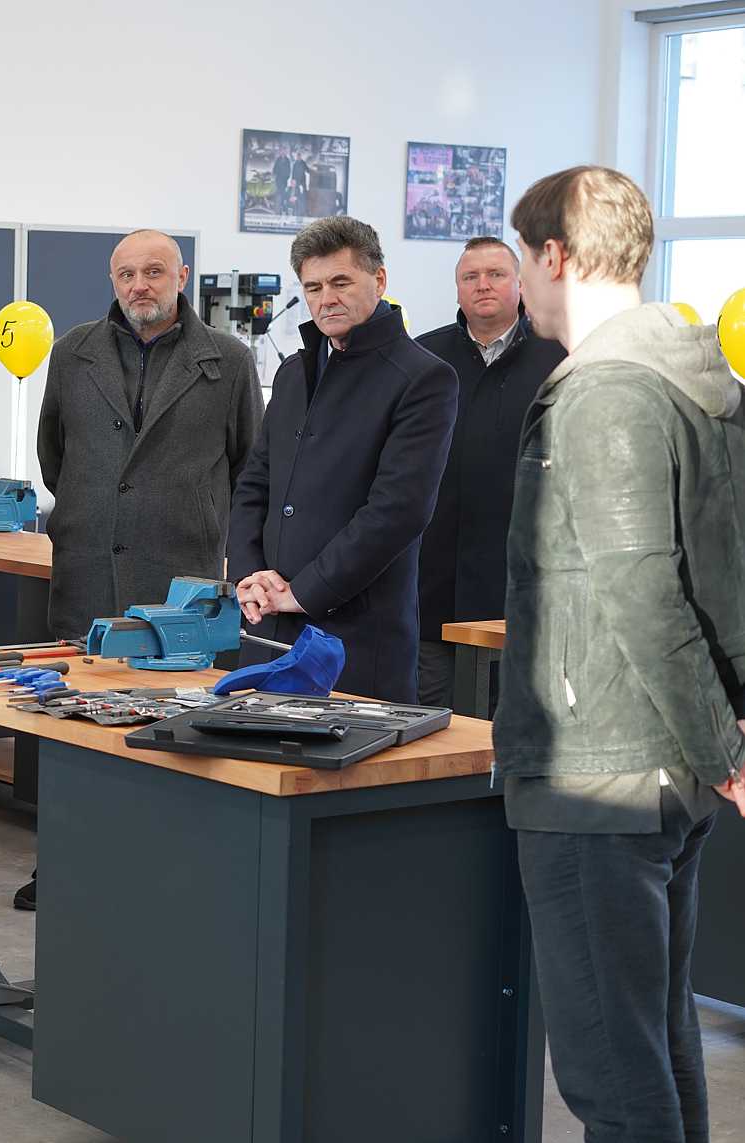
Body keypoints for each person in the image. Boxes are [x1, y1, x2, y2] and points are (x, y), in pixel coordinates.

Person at [495, 165, 745, 1141]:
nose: (521, 279)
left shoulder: (603, 392)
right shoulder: (697, 378)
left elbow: (644, 592)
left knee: (611, 1071)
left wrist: (725, 752)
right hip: (661, 770)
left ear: (555, 255)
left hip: (598, 771)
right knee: (655, 1044)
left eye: (523, 258)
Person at [228, 216, 457, 704]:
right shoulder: (293, 373)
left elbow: (397, 511)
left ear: (379, 280)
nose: (325, 298)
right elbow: (254, 484)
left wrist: (303, 592)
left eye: (340, 282)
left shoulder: (423, 378)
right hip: (267, 626)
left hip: (355, 638)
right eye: (313, 287)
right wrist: (249, 576)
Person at [38, 228, 261, 640]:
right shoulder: (71, 354)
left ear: (182, 277)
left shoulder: (229, 362)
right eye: (127, 274)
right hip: (86, 577)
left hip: (184, 582)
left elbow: (249, 470)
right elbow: (53, 458)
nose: (138, 285)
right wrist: (95, 504)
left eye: (153, 272)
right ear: (113, 281)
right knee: (81, 682)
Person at [413, 237, 564, 708]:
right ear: (457, 289)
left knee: (508, 719)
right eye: (470, 277)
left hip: (522, 580)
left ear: (520, 284)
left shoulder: (559, 356)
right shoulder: (423, 358)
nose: (483, 285)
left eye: (496, 274)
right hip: (432, 581)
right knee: (431, 716)